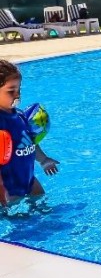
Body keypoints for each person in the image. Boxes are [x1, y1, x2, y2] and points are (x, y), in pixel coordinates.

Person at [0, 60, 59, 207]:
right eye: (11, 90)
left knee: (44, 206)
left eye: (19, 89)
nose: (17, 95)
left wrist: (44, 160)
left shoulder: (20, 116)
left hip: (29, 179)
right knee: (17, 222)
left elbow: (30, 141)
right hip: (8, 186)